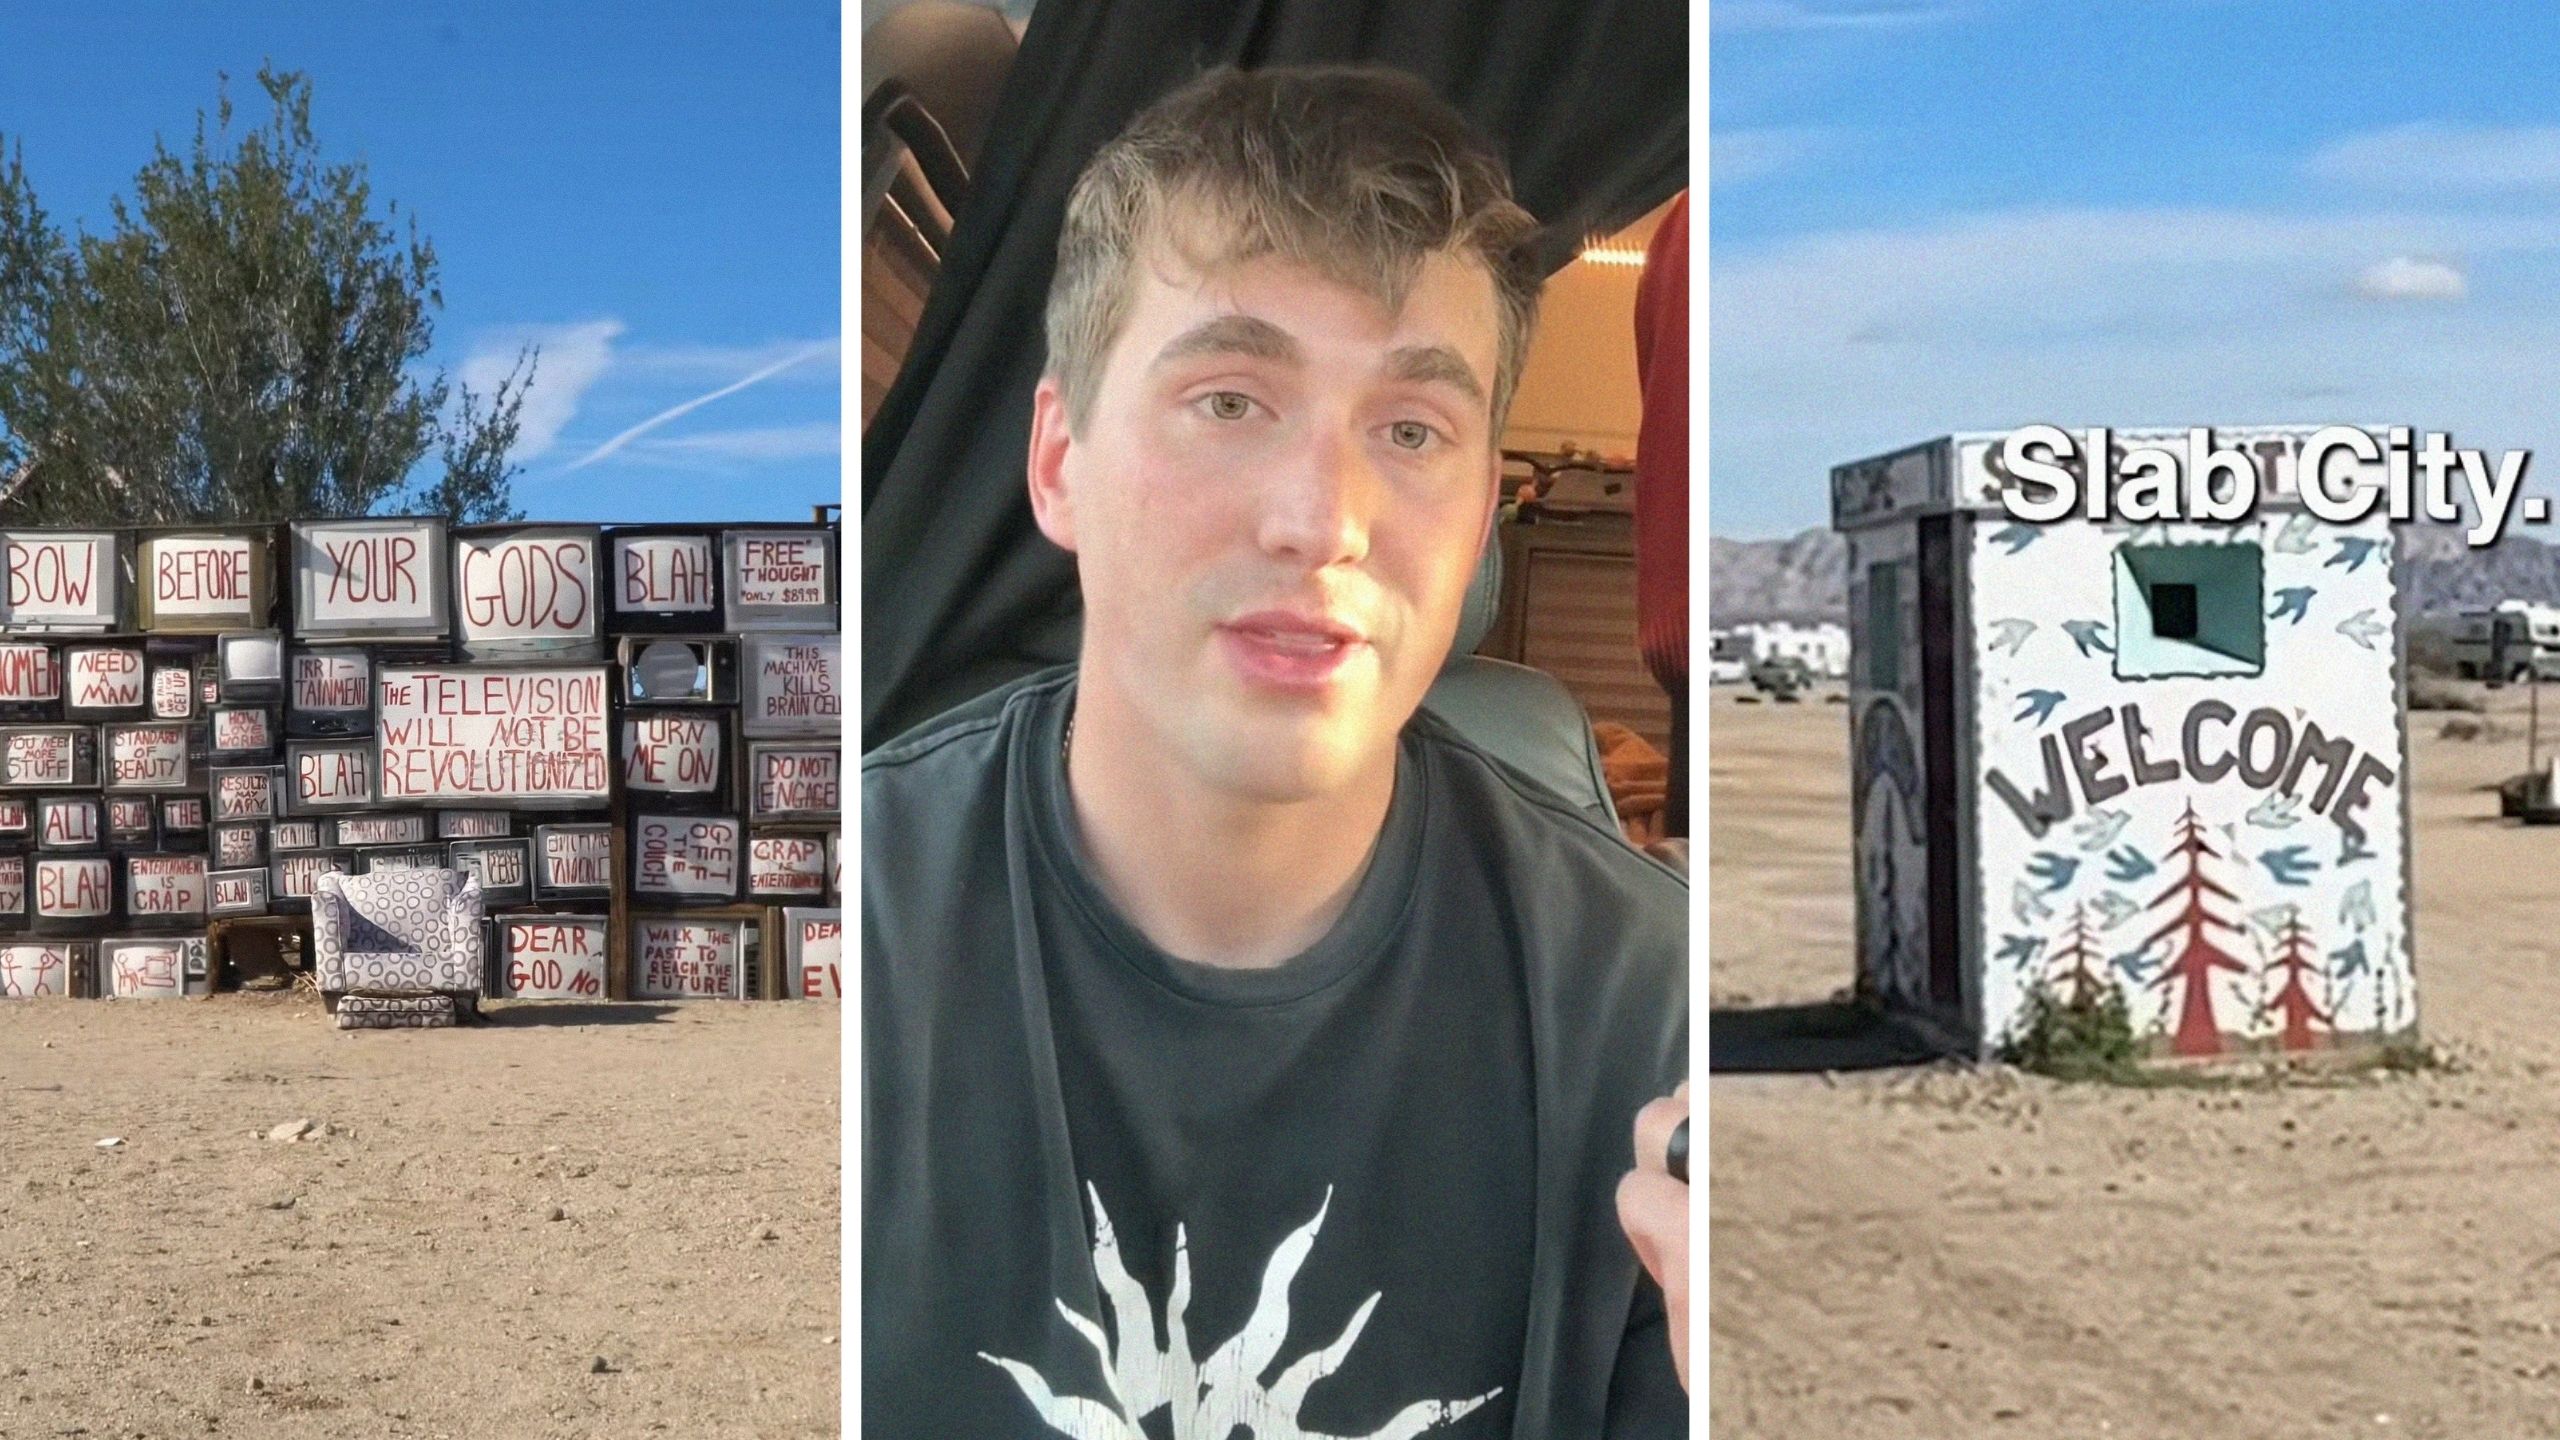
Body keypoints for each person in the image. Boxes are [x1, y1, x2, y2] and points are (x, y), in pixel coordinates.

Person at [864, 64, 1688, 1437]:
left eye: (1411, 429)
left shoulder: (1658, 1028)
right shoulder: (858, 954)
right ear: (1059, 462)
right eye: (1231, 400)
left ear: (1482, 514)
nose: (1324, 520)